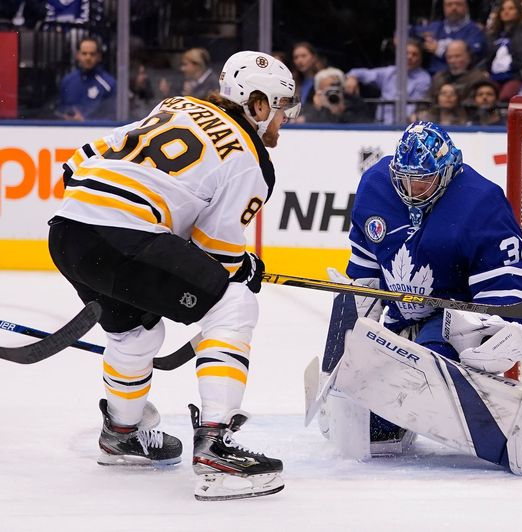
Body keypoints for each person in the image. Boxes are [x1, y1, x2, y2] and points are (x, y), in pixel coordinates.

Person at [47, 51, 300, 501]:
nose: (284, 120)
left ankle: (122, 432)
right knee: (234, 305)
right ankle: (217, 449)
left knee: (136, 333)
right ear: (258, 106)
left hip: (68, 231)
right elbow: (214, 256)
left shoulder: (176, 105)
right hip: (128, 237)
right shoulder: (250, 158)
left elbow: (76, 163)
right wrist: (245, 269)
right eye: (281, 108)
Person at [317, 121, 522, 474]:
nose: (411, 189)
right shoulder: (376, 184)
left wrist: (506, 327)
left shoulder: (479, 201)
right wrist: (354, 324)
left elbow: (507, 279)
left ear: (448, 172)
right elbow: (365, 269)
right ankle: (393, 417)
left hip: (450, 319)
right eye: (403, 178)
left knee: (426, 374)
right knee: (371, 422)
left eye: (423, 180)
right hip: (398, 316)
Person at [345, 39, 431, 125]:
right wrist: (352, 77)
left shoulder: (424, 79)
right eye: (406, 53)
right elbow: (361, 73)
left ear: (420, 59)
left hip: (406, 125)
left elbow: (413, 107)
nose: (409, 57)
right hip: (380, 125)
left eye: (414, 54)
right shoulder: (389, 72)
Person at [410, 0, 486, 74]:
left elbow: (473, 55)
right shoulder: (435, 27)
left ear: (466, 7)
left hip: (459, 76)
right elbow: (411, 31)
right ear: (444, 7)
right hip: (430, 76)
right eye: (449, 4)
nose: (453, 8)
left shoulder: (474, 31)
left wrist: (439, 50)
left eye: (458, 4)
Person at [56, 37, 116, 121]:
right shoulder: (67, 81)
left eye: (92, 54)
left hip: (97, 132)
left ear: (99, 56)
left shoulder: (109, 84)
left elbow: (113, 116)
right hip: (67, 131)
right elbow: (60, 109)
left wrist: (86, 120)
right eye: (84, 53)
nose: (88, 57)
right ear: (77, 55)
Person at [482, 0, 522, 102]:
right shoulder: (493, 35)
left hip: (515, 75)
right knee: (483, 92)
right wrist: (483, 69)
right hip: (493, 75)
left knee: (506, 95)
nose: (506, 12)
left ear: (519, 11)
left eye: (511, 8)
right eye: (503, 9)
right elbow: (487, 58)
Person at [298, 67, 371, 123]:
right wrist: (318, 109)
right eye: (329, 90)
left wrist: (341, 113)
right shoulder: (311, 104)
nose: (333, 93)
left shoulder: (355, 103)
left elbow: (364, 125)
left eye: (336, 88)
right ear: (318, 91)